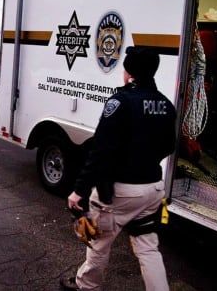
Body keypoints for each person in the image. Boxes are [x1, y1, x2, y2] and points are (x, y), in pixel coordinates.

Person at [62, 47, 176, 291]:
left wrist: (78, 191)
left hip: (119, 192)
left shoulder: (120, 102)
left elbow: (101, 151)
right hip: (153, 190)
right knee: (148, 248)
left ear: (129, 72)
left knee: (99, 242)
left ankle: (86, 286)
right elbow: (169, 146)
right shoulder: (166, 104)